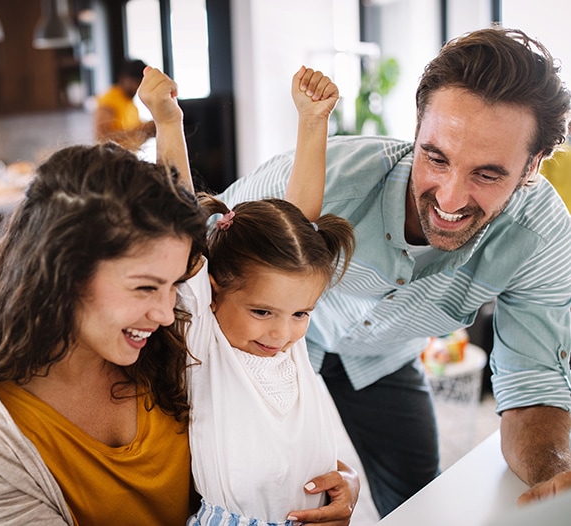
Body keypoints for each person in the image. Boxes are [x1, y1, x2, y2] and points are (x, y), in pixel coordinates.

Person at [215, 27, 571, 517]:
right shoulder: (328, 177)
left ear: (532, 165)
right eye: (436, 157)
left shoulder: (542, 238)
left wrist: (559, 480)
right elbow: (198, 255)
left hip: (384, 358)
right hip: (279, 344)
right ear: (418, 128)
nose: (449, 198)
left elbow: (532, 381)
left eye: (487, 174)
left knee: (419, 503)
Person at [0, 90, 359, 526]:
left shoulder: (166, 343)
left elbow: (293, 234)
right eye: (146, 287)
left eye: (173, 286)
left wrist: (345, 481)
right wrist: (169, 122)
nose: (170, 312)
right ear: (63, 272)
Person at [139, 66, 358, 525]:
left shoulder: (284, 335)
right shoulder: (207, 340)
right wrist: (167, 122)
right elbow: (180, 219)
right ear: (213, 291)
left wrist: (312, 122)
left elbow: (302, 220)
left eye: (302, 313)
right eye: (261, 311)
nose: (283, 332)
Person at [94, 58, 157, 151]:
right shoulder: (109, 99)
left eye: (140, 82)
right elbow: (102, 138)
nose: (137, 86)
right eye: (134, 81)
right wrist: (143, 130)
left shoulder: (131, 105)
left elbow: (135, 132)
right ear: (123, 78)